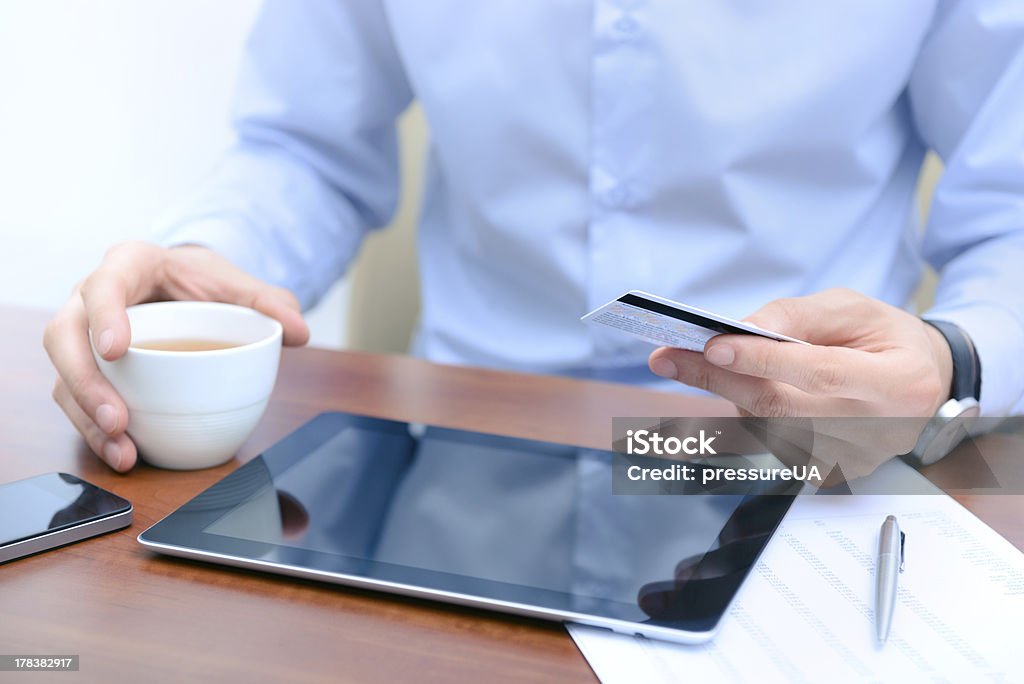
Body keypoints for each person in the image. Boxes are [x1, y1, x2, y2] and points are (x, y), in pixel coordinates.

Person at [43, 1, 1024, 472]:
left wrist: (955, 357)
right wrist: (203, 271)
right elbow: (303, 147)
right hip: (466, 453)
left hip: (802, 456)